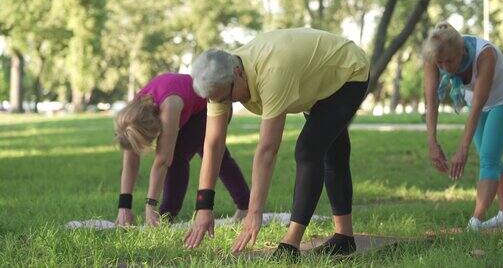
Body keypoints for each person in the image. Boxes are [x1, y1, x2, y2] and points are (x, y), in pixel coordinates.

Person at [183, 28, 369, 258]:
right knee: (332, 152)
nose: (226, 104)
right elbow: (212, 145)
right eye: (218, 100)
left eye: (227, 98)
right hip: (316, 79)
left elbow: (267, 150)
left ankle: (290, 245)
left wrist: (254, 212)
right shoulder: (219, 80)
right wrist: (203, 207)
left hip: (348, 71)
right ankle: (344, 239)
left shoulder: (271, 72)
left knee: (308, 150)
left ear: (239, 73)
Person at [114, 73, 250, 226]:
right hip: (191, 106)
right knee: (219, 158)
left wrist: (150, 206)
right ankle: (245, 204)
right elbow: (130, 163)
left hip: (212, 103)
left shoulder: (169, 105)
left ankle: (165, 217)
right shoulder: (131, 118)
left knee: (178, 156)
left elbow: (163, 160)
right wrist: (124, 206)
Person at [422, 21, 503, 230]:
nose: (444, 68)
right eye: (440, 64)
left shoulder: (485, 55)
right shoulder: (434, 55)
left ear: (461, 50)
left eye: (449, 61)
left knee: (488, 158)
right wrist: (432, 142)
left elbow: (477, 106)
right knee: (490, 154)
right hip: (475, 100)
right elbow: (431, 100)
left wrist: (462, 149)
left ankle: (475, 222)